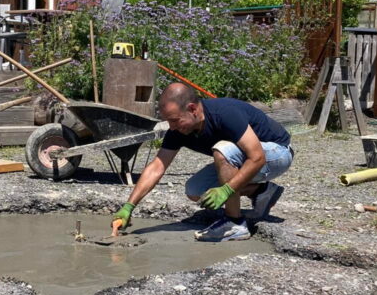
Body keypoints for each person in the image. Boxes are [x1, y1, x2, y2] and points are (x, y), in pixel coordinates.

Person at [110, 83, 294, 242]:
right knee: (195, 190)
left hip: (277, 153)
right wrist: (129, 206)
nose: (172, 127)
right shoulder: (178, 131)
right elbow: (157, 167)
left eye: (175, 120)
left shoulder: (224, 113)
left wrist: (226, 190)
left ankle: (235, 223)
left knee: (223, 150)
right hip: (246, 159)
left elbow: (257, 157)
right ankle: (261, 191)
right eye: (168, 121)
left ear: (193, 109)